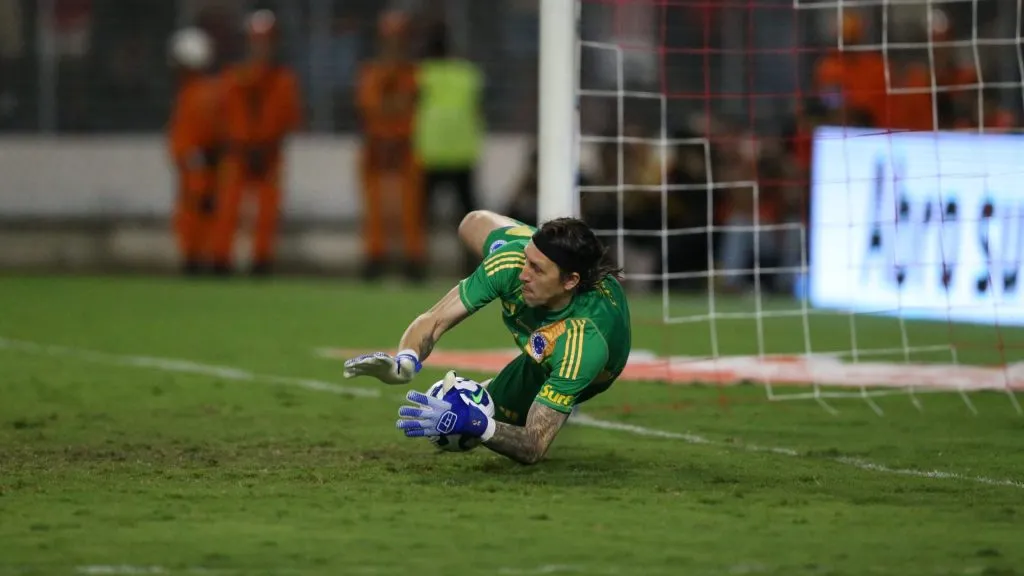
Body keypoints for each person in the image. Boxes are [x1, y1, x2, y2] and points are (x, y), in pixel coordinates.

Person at [343, 210, 633, 465]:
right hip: (549, 320)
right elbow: (434, 320)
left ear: (570, 281)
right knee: (472, 223)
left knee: (486, 420)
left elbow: (533, 445)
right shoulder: (510, 262)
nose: (522, 275)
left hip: (588, 364)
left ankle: (546, 393)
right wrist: (405, 362)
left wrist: (479, 425)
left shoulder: (582, 344)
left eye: (536, 269)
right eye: (526, 260)